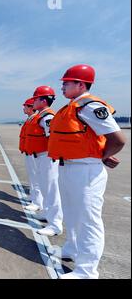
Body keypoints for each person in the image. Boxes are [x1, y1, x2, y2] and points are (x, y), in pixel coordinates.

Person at [48, 64, 126, 279]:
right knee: (72, 215)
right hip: (68, 166)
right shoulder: (72, 106)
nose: (62, 87)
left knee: (88, 220)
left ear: (80, 84)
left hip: (86, 171)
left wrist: (100, 156)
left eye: (67, 83)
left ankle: (87, 271)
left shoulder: (90, 107)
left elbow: (118, 140)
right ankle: (71, 250)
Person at [24, 86, 63, 236]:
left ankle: (55, 224)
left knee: (51, 189)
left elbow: (52, 138)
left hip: (46, 156)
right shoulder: (41, 115)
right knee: (45, 187)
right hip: (39, 156)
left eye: (35, 99)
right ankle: (48, 213)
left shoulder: (47, 117)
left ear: (43, 100)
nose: (33, 102)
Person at [19, 98, 43, 213]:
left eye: (25, 106)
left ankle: (37, 202)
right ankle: (33, 197)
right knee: (32, 177)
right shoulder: (30, 119)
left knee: (36, 178)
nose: (23, 108)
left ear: (30, 107)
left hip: (36, 153)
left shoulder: (38, 119)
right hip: (30, 152)